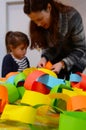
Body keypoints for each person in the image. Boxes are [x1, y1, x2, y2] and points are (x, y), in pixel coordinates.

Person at [23, 0, 86, 80]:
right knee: (51, 83)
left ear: (49, 8)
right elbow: (48, 46)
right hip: (56, 57)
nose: (38, 24)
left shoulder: (72, 16)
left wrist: (63, 63)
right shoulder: (40, 25)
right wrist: (44, 58)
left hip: (76, 58)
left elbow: (80, 48)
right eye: (34, 21)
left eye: (40, 19)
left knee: (70, 84)